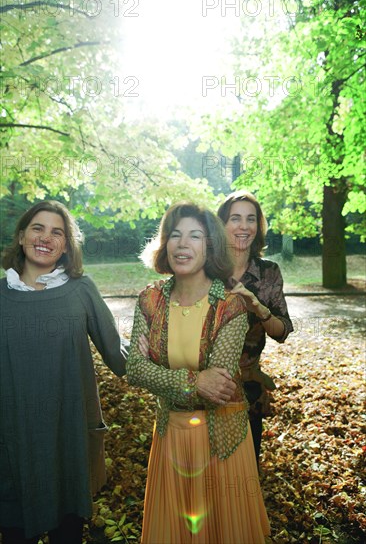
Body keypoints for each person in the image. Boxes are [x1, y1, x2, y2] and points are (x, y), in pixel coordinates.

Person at [127, 202, 270, 544]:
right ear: (165, 245)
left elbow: (217, 387)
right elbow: (134, 369)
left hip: (222, 440)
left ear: (211, 246)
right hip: (170, 435)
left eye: (195, 236)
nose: (182, 244)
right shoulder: (149, 300)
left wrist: (157, 372)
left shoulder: (230, 305)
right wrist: (193, 380)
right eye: (174, 236)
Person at [0, 200, 127, 544]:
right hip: (12, 443)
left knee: (68, 532)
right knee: (14, 532)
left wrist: (171, 339)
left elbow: (120, 357)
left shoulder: (80, 289)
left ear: (67, 245)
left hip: (68, 437)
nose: (46, 237)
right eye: (38, 228)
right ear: (22, 235)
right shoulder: (1, 295)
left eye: (57, 232)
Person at [217, 190, 293, 462]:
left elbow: (282, 331)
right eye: (235, 218)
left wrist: (259, 308)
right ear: (221, 225)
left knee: (245, 475)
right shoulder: (206, 270)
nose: (243, 226)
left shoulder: (268, 272)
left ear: (258, 227)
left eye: (251, 219)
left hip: (248, 392)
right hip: (205, 389)